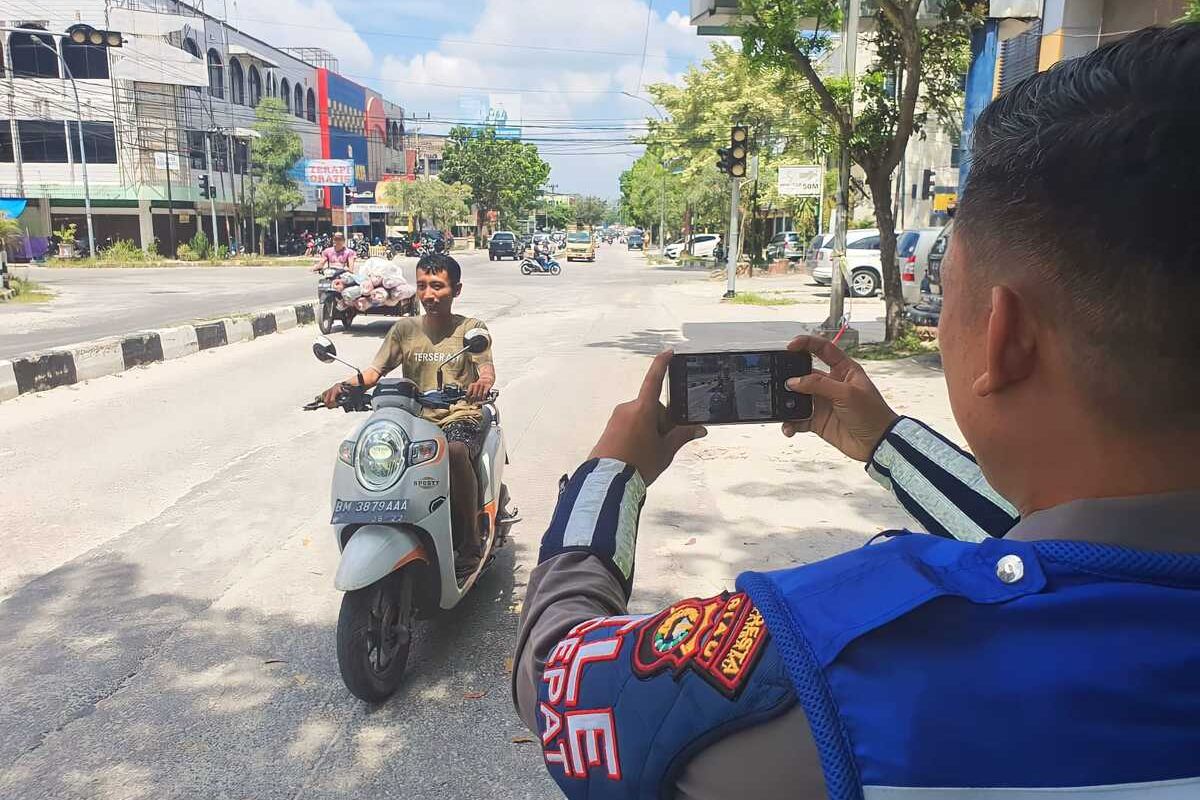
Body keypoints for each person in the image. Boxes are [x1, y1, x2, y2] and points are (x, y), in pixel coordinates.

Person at [512, 24, 1200, 799]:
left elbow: (560, 684)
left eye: (952, 296)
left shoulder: (842, 648)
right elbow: (1073, 560)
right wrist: (888, 447)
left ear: (1003, 337)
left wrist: (614, 475)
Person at [322, 253, 496, 580]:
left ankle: (470, 542)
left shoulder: (471, 329)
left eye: (438, 286)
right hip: (415, 419)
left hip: (459, 416)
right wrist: (339, 387)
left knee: (455, 452)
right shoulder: (404, 329)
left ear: (456, 290)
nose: (429, 294)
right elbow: (373, 373)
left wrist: (482, 384)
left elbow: (485, 370)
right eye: (422, 286)